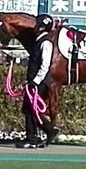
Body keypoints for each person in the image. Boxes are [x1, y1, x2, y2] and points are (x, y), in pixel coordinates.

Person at [22, 13, 58, 149]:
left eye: (37, 25)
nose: (35, 27)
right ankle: (38, 135)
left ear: (43, 27)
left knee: (32, 109)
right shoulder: (39, 41)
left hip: (40, 83)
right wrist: (17, 61)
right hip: (35, 82)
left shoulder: (46, 43)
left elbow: (45, 65)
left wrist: (36, 81)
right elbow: (33, 60)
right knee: (29, 109)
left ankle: (35, 137)